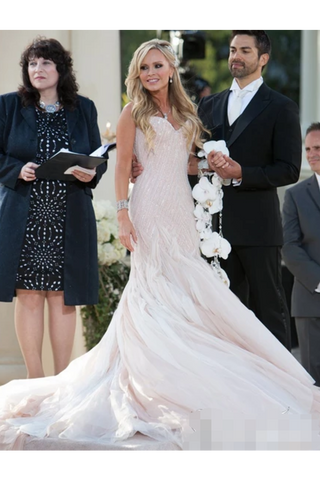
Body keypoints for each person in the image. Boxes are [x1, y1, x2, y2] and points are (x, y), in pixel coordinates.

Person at [0, 39, 319, 455]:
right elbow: (123, 168)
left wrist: (210, 164)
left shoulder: (189, 112)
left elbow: (186, 163)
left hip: (181, 212)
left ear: (171, 69)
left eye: (157, 65)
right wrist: (124, 213)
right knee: (152, 290)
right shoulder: (134, 112)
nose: (150, 73)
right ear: (139, 74)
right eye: (144, 68)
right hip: (149, 207)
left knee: (186, 290)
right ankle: (150, 377)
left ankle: (186, 374)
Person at [187, 27, 302, 351]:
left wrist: (242, 174)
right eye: (233, 49)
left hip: (259, 229)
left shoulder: (281, 107)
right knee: (224, 314)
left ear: (263, 58)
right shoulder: (208, 105)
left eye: (245, 51)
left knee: (269, 312)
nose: (235, 56)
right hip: (215, 230)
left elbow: (289, 169)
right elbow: (194, 159)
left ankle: (283, 388)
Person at [0, 37, 107, 379]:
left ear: (60, 69)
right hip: (24, 216)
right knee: (28, 295)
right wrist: (16, 170)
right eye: (32, 64)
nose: (38, 69)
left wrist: (89, 172)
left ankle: (62, 383)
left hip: (68, 215)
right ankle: (35, 380)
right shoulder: (8, 107)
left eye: (45, 63)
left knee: (63, 296)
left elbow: (97, 159)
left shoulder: (83, 108)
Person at [282, 123, 320, 387]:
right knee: (313, 384)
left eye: (317, 148)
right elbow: (289, 246)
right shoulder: (295, 195)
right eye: (308, 149)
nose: (311, 154)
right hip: (310, 300)